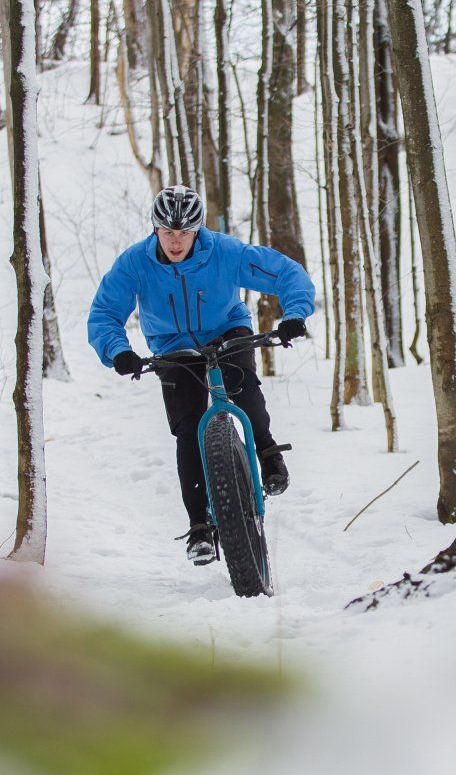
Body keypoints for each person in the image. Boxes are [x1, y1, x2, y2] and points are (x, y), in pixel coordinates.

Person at [88, 186, 315, 565]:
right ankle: (199, 527)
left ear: (198, 231)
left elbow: (285, 273)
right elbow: (104, 314)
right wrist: (118, 351)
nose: (176, 242)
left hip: (227, 330)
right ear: (155, 231)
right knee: (188, 428)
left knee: (242, 388)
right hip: (172, 345)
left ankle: (268, 453)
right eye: (168, 233)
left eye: (185, 233)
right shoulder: (134, 265)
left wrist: (294, 313)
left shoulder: (224, 253)